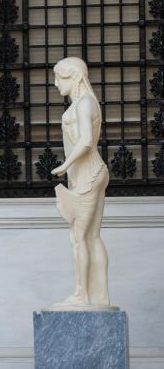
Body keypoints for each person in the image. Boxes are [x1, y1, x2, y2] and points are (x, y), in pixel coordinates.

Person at [50, 57, 112, 310]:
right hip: (93, 172)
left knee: (78, 238)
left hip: (87, 175)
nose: (55, 84)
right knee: (93, 237)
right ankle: (101, 298)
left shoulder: (85, 103)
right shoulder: (85, 102)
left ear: (74, 76)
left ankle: (81, 295)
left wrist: (65, 166)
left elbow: (86, 140)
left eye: (59, 78)